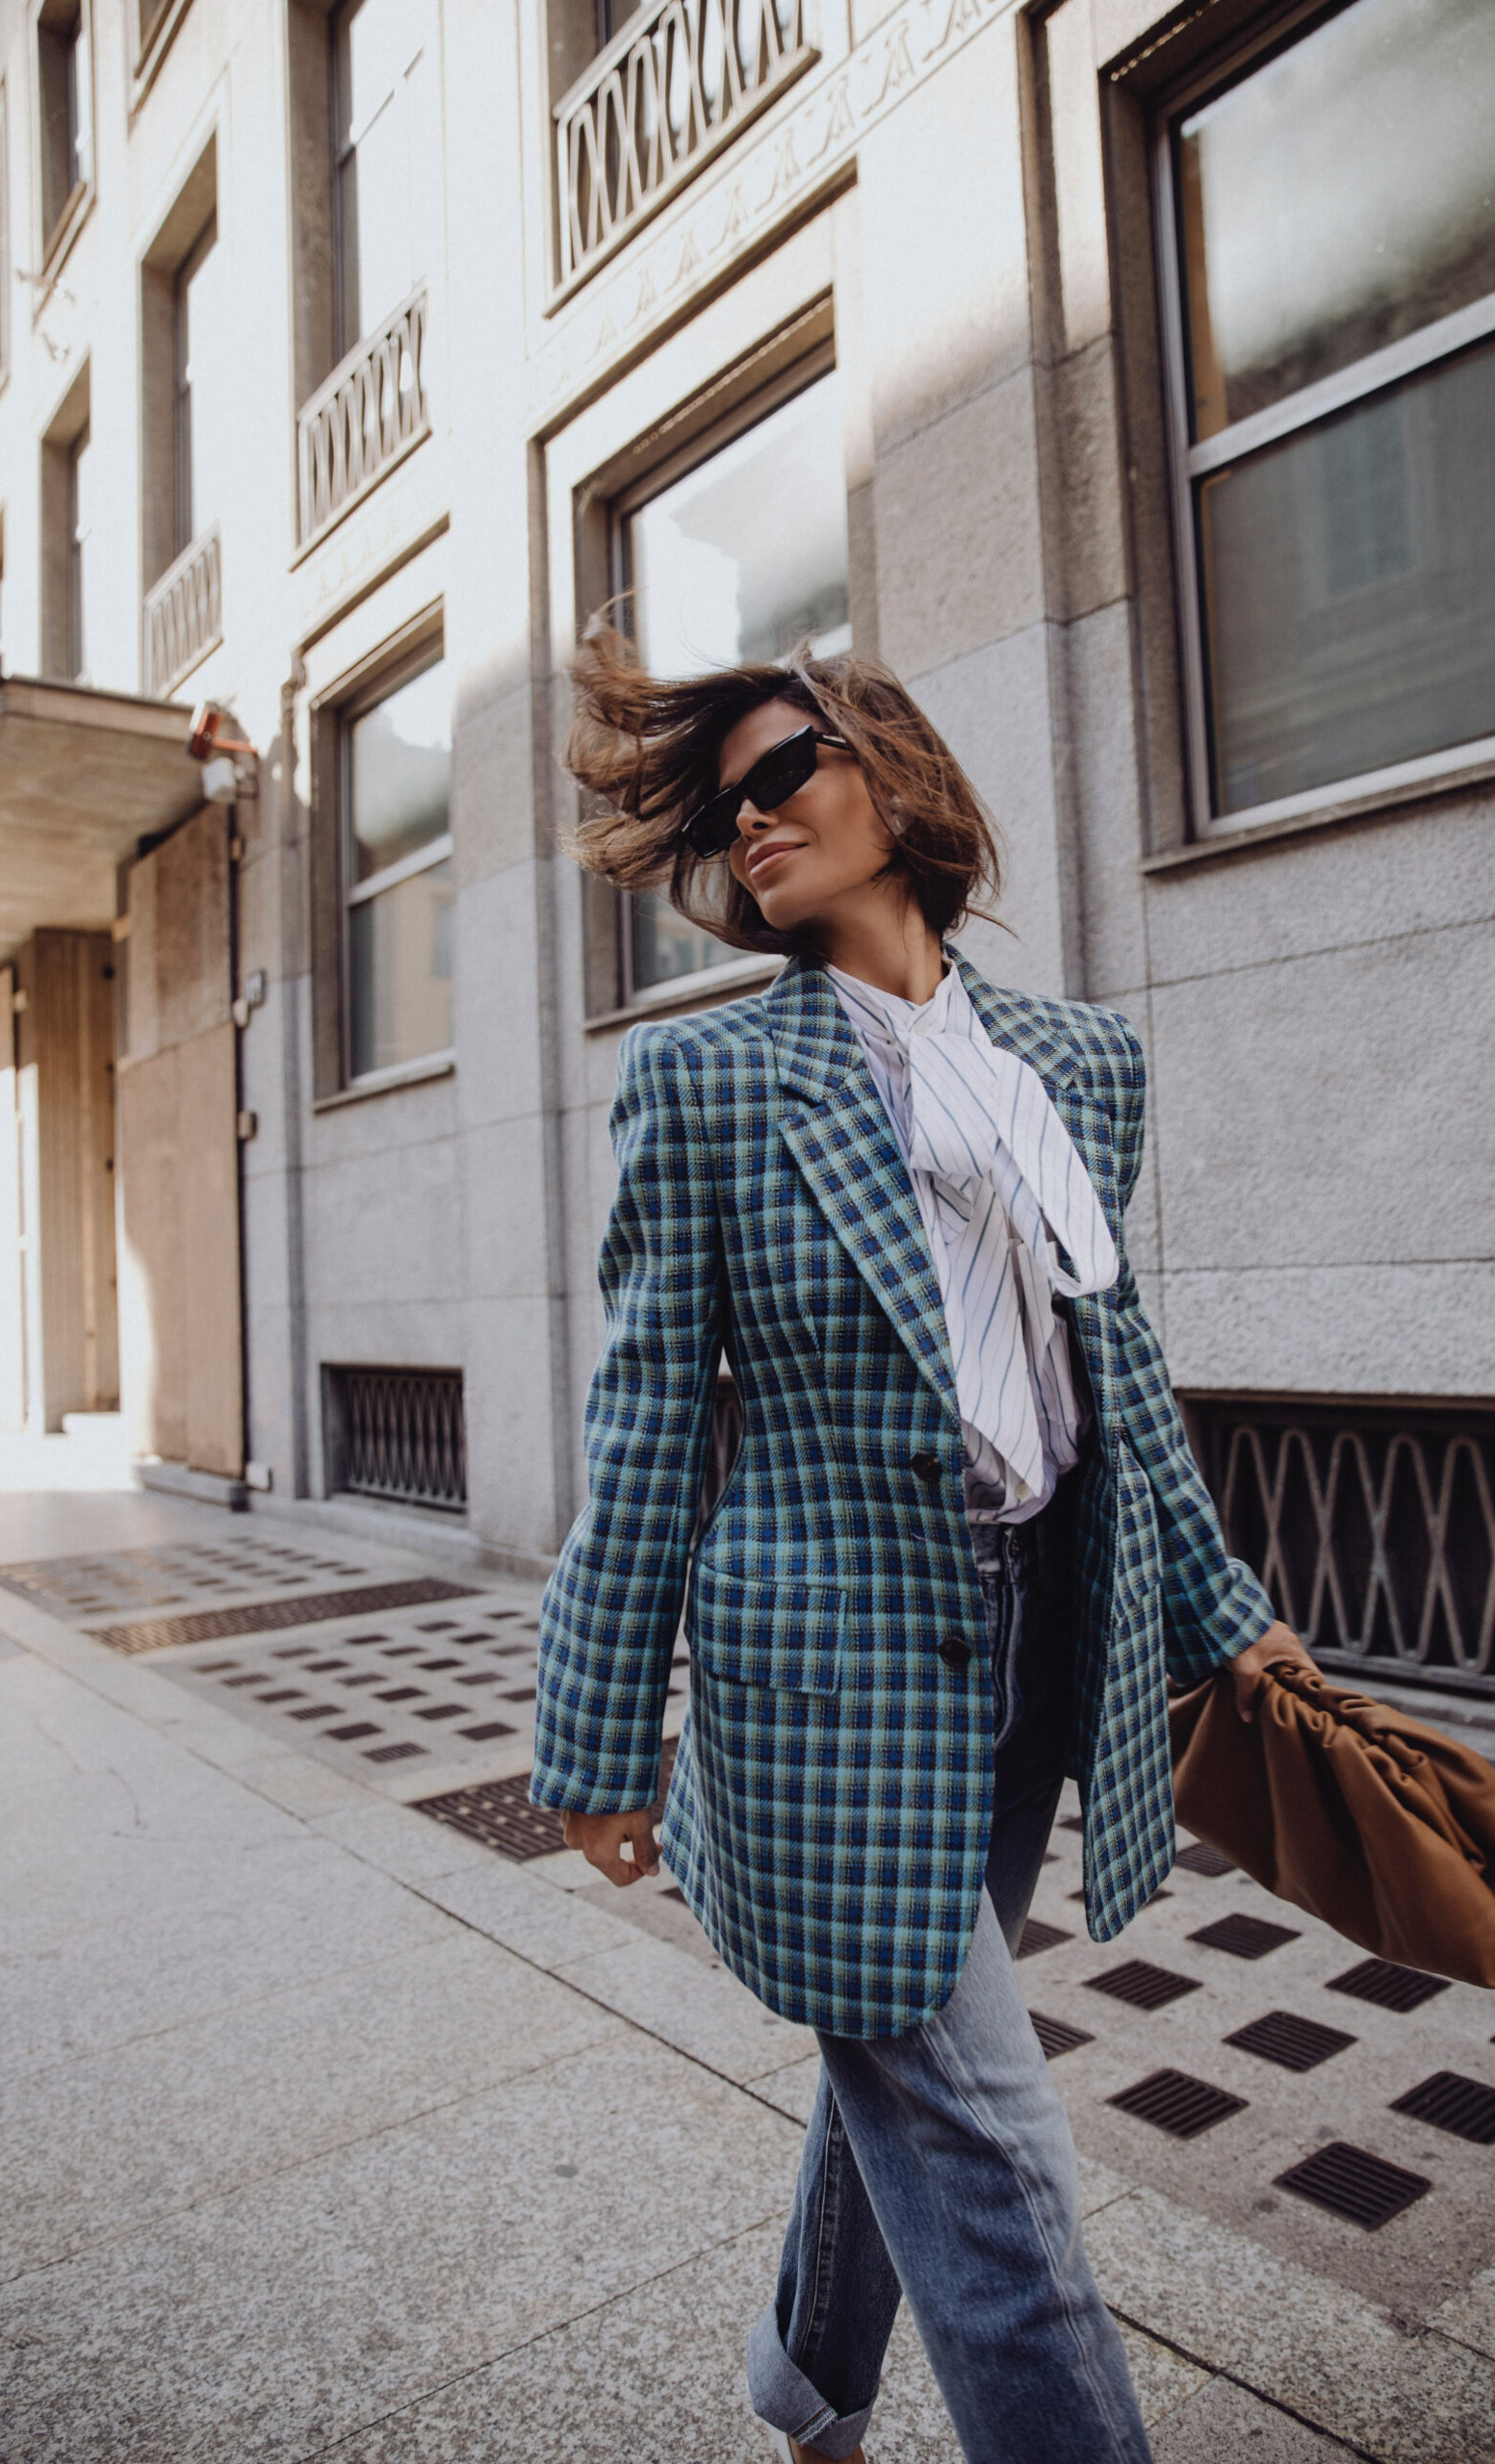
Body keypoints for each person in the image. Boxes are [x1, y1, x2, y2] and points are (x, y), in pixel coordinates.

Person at [530, 626, 1314, 2464]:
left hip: (1038, 1642)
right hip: (824, 1686)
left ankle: (806, 2381)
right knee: (991, 2149)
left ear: (890, 774)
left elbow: (1109, 1367)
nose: (750, 826)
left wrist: (1226, 1612)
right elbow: (644, 1423)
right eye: (723, 813)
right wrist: (589, 1735)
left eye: (780, 775)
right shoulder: (715, 1087)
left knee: (898, 2038)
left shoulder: (1079, 1067)